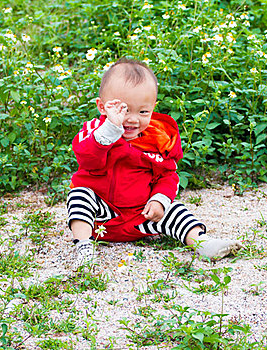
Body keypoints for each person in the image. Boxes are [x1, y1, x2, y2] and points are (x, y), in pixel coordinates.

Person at [67, 57, 242, 267]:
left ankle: (201, 242)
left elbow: (168, 175)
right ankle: (84, 247)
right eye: (123, 110)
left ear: (153, 108)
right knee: (79, 195)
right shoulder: (94, 132)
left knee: (175, 210)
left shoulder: (158, 139)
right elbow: (87, 160)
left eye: (143, 112)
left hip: (141, 216)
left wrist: (159, 200)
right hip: (101, 218)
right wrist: (110, 131)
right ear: (102, 107)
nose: (133, 119)